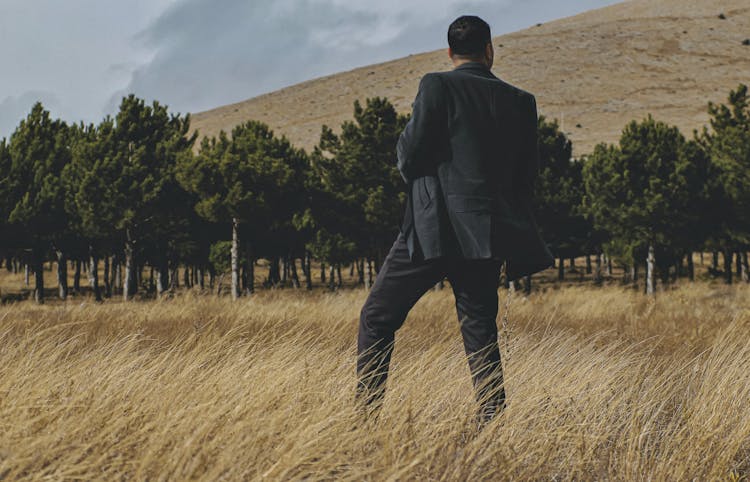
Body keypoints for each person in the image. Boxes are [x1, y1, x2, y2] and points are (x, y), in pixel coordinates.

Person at [356, 15, 553, 425]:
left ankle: (365, 418)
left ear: (449, 52)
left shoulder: (437, 84)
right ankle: (492, 419)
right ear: (489, 51)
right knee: (480, 329)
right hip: (485, 234)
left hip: (432, 228)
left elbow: (408, 157)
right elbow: (526, 175)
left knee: (377, 317)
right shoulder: (521, 100)